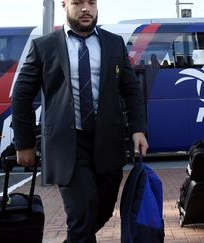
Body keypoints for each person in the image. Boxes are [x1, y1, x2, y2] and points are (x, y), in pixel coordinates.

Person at [11, 0, 148, 242]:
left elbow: (131, 90)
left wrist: (138, 129)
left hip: (108, 142)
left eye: (91, 3)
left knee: (102, 211)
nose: (86, 8)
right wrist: (24, 143)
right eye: (78, 2)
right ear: (64, 5)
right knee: (82, 214)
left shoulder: (113, 43)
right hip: (68, 145)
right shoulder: (44, 46)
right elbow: (22, 95)